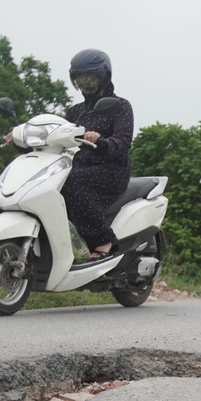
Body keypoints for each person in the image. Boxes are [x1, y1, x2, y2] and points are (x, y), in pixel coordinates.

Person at [62, 48, 134, 260]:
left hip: (111, 170)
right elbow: (57, 131)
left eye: (90, 77)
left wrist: (102, 141)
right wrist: (22, 132)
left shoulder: (120, 106)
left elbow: (123, 141)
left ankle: (103, 239)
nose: (85, 82)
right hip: (82, 167)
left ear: (103, 76)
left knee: (70, 181)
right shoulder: (75, 111)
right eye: (80, 77)